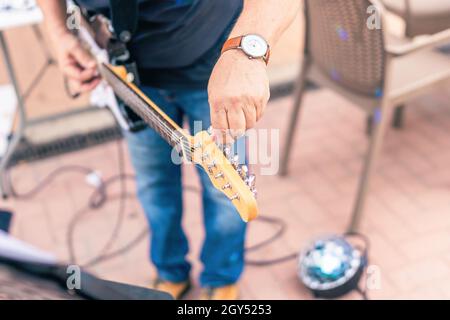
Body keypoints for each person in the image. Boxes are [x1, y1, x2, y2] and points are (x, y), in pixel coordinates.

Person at [37, 0, 299, 300]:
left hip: (214, 67)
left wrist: (246, 53)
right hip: (131, 77)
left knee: (222, 196)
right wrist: (60, 34)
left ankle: (221, 276)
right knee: (153, 186)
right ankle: (169, 271)